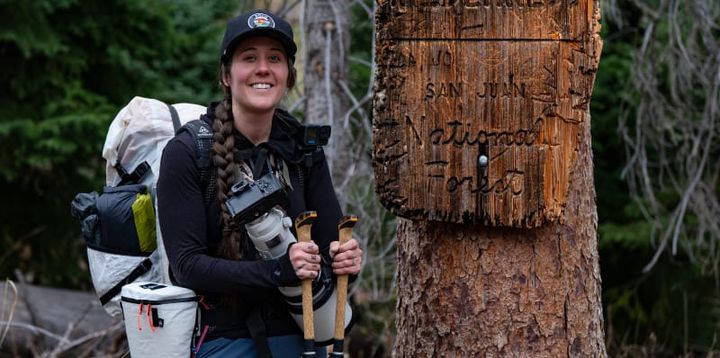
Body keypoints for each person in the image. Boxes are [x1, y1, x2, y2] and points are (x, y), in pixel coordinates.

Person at [157, 9, 363, 357]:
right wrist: (278, 270)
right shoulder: (188, 152)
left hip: (304, 337)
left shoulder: (303, 150)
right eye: (249, 58)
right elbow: (187, 265)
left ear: (288, 74)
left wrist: (347, 262)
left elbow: (330, 246)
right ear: (226, 75)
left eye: (275, 58)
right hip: (222, 338)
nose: (263, 68)